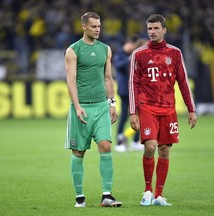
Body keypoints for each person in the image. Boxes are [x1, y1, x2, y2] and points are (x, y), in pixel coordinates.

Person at [129, 14, 197, 206]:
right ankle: (147, 191)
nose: (152, 32)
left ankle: (159, 195)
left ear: (164, 30)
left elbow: (183, 82)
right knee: (150, 147)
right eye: (150, 28)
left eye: (156, 28)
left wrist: (191, 109)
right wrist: (133, 112)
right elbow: (133, 84)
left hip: (168, 109)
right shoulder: (139, 54)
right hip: (147, 107)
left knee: (165, 150)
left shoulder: (175, 53)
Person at [64, 12, 122, 208]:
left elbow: (108, 77)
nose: (97, 29)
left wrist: (112, 103)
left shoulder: (105, 49)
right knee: (78, 152)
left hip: (101, 107)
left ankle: (107, 195)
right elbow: (71, 80)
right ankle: (79, 197)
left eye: (99, 26)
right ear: (84, 27)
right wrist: (77, 106)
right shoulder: (73, 50)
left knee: (105, 146)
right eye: (94, 26)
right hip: (81, 109)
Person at [113, 36, 147, 152]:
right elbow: (118, 66)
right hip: (125, 90)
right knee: (124, 116)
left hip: (135, 91)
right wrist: (129, 58)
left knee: (140, 116)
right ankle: (119, 142)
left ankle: (135, 141)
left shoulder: (134, 57)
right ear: (128, 44)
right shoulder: (121, 55)